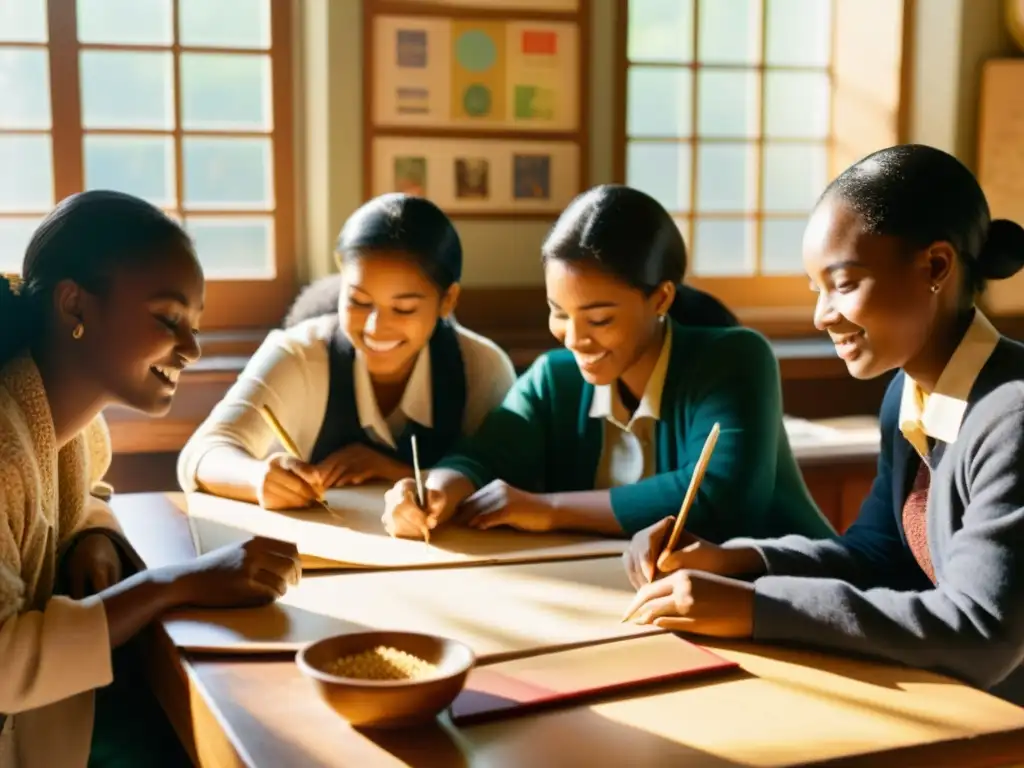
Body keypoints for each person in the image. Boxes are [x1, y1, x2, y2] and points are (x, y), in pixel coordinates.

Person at [620, 144, 1024, 706]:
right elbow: (879, 556)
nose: (821, 315)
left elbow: (982, 633)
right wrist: (732, 561)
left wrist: (754, 609)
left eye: (844, 283)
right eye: (817, 288)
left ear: (935, 266)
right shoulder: (906, 396)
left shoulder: (1012, 417)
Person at [0, 190, 300, 767]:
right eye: (169, 319)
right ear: (74, 307)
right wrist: (176, 584)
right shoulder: (5, 446)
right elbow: (5, 666)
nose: (190, 348)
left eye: (194, 325)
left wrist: (92, 534)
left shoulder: (80, 430)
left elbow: (87, 494)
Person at [381, 185, 834, 542]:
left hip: (786, 596)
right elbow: (481, 457)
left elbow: (720, 499)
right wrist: (435, 489)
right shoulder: (552, 380)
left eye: (599, 318)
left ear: (660, 298)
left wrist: (549, 509)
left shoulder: (736, 359)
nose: (575, 338)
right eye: (559, 313)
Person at [178, 193, 516, 510]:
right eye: (358, 301)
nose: (374, 327)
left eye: (404, 309)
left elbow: (508, 479)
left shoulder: (480, 368)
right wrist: (256, 478)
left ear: (448, 300)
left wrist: (396, 472)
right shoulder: (298, 355)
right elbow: (200, 454)